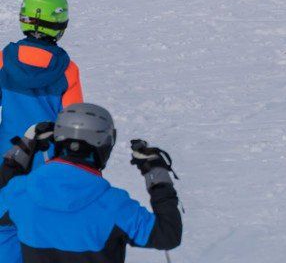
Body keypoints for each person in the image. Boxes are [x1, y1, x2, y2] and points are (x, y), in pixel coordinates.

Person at [0, 103, 181, 261]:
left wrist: (26, 146)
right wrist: (156, 173)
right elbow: (167, 235)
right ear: (104, 147)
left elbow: (3, 187)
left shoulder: (19, 192)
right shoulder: (114, 205)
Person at [0, 0, 79, 165]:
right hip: (47, 161)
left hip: (6, 158)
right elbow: (74, 122)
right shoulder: (68, 70)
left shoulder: (3, 62)